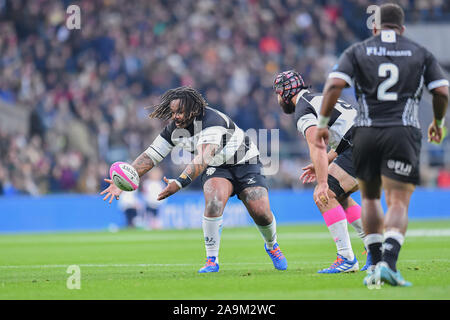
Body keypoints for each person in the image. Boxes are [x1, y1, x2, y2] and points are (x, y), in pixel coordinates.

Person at [315, 3, 448, 287]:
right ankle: (389, 262)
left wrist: (323, 123)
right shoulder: (419, 52)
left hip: (367, 132)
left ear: (374, 27)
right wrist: (438, 121)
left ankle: (374, 263)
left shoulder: (357, 50)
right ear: (402, 29)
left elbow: (334, 85)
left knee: (370, 199)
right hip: (403, 132)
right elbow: (441, 90)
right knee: (398, 201)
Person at [101, 86, 287, 273]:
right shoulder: (173, 130)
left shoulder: (212, 121)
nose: (176, 117)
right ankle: (211, 260)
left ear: (194, 109)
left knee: (260, 210)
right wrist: (124, 179)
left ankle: (272, 245)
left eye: (180, 112)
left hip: (245, 161)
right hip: (216, 166)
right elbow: (150, 156)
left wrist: (179, 183)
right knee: (214, 202)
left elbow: (202, 158)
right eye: (173, 112)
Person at [273, 70, 370, 273]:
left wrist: (323, 181)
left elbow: (317, 144)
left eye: (278, 93)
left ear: (286, 92)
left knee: (324, 195)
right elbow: (343, 133)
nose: (278, 98)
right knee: (340, 197)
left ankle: (346, 257)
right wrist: (325, 161)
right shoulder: (317, 98)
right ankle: (374, 248)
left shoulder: (303, 109)